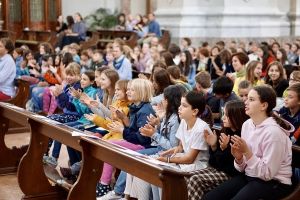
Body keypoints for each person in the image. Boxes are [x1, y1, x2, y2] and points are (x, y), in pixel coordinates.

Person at [203, 85, 294, 200]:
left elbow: (267, 174)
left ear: (264, 105)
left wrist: (247, 153)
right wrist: (239, 158)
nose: (245, 102)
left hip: (274, 182)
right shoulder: (247, 124)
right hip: (250, 176)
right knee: (210, 198)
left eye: (251, 99)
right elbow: (242, 168)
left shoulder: (274, 133)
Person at [100, 84, 185, 200]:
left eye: (132, 89)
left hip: (158, 149)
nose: (128, 92)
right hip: (157, 147)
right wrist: (157, 125)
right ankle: (121, 193)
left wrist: (152, 133)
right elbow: (143, 132)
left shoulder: (171, 118)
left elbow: (170, 146)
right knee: (117, 149)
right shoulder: (165, 115)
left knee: (133, 158)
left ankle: (115, 190)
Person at [96, 78, 155, 197]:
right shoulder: (136, 107)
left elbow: (142, 139)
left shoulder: (145, 110)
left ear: (141, 92)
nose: (128, 92)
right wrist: (124, 121)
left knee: (111, 144)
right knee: (106, 143)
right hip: (135, 141)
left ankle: (105, 185)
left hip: (143, 145)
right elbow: (133, 129)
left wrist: (122, 130)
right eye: (127, 90)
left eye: (131, 90)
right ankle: (104, 182)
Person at [187, 100, 249, 200]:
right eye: (223, 114)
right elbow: (214, 163)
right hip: (220, 170)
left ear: (237, 117)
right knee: (188, 176)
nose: (223, 118)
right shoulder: (225, 131)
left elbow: (232, 169)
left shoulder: (241, 136)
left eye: (227, 115)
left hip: (233, 175)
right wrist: (214, 146)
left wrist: (224, 149)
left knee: (195, 180)